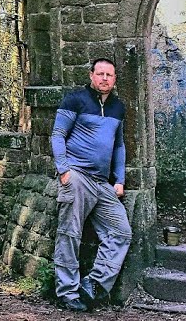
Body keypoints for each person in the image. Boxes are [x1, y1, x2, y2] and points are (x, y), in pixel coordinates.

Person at [51, 58, 131, 312]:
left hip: (102, 182)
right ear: (91, 76)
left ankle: (93, 285)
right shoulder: (75, 100)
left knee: (121, 232)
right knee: (70, 233)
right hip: (77, 177)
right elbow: (57, 135)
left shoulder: (118, 107)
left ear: (115, 78)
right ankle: (67, 292)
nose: (104, 78)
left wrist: (119, 180)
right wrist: (64, 171)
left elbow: (119, 146)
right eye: (100, 74)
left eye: (109, 74)